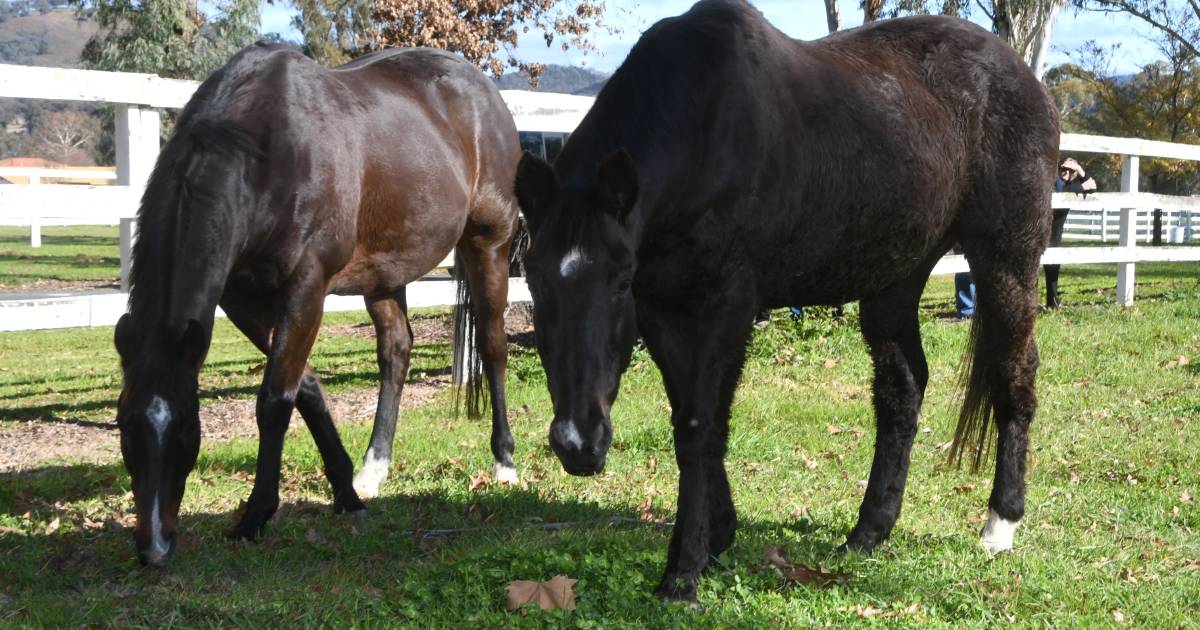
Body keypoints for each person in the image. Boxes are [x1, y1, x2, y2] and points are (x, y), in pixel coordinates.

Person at [1045, 158, 1097, 308]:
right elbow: (1057, 193)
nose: (1066, 172)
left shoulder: (1072, 185)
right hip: (1041, 228)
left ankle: (1052, 303)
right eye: (1063, 168)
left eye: (1070, 170)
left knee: (1053, 267)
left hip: (1055, 232)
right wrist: (1081, 187)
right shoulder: (1052, 182)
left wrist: (1080, 170)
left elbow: (1093, 187)